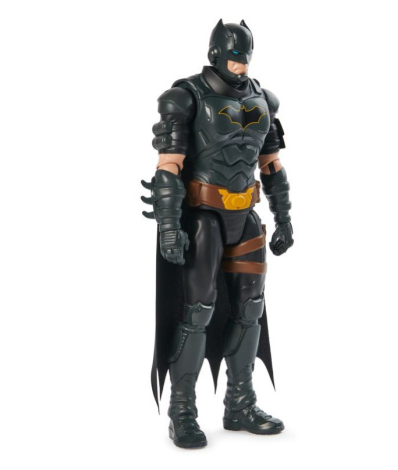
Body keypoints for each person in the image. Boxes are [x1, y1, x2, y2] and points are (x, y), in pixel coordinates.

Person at [142, 19, 294, 449]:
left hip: (245, 216)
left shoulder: (264, 100)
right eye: (233, 57)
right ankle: (182, 412)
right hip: (203, 216)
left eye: (246, 57)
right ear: (215, 54)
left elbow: (271, 165)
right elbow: (169, 166)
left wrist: (284, 217)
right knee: (197, 312)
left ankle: (240, 404)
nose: (241, 65)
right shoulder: (185, 97)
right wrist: (169, 226)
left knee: (251, 309)